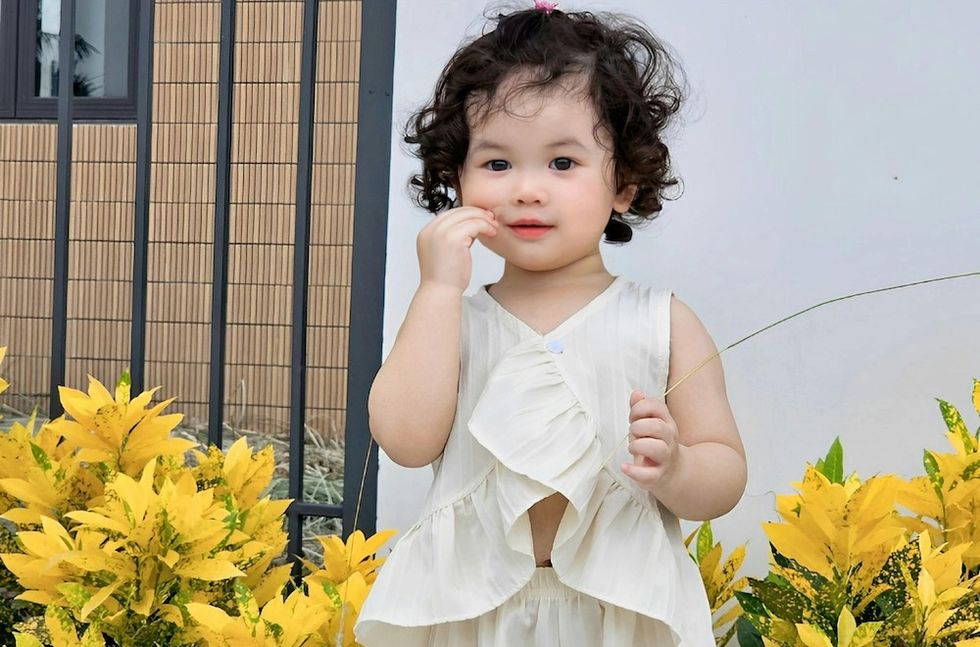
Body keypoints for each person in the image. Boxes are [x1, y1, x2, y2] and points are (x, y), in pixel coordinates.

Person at [355, 3, 747, 645]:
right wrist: (437, 289)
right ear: (456, 180)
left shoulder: (662, 321)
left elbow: (725, 474)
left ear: (624, 182)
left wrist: (677, 468)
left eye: (563, 163)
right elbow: (404, 441)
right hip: (472, 613)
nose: (528, 190)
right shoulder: (450, 319)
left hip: (617, 613)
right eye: (497, 164)